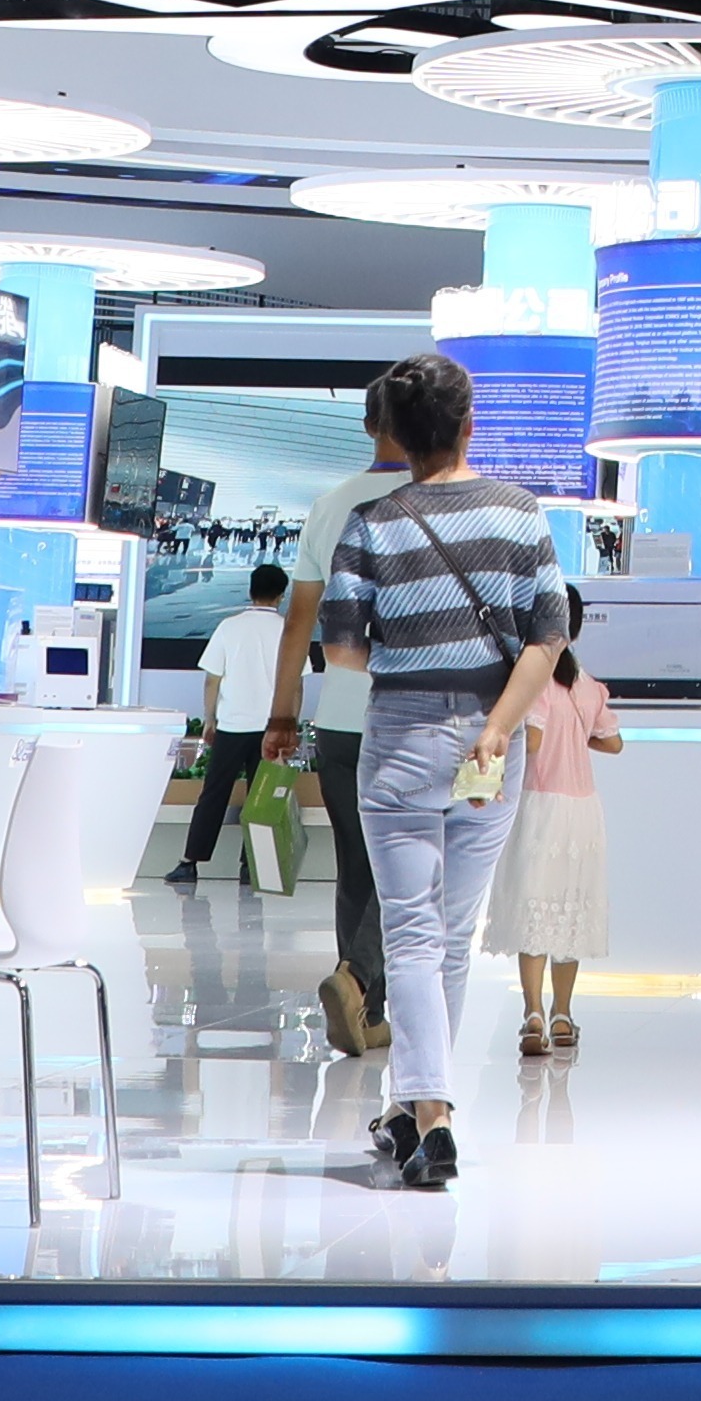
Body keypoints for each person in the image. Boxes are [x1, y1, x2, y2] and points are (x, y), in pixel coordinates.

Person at [313, 349, 563, 1192]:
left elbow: (343, 651)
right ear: (467, 426)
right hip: (493, 742)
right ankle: (420, 1108)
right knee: (451, 935)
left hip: (401, 739)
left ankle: (428, 1114)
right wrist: (494, 727)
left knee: (411, 934)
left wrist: (411, 641)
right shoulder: (519, 513)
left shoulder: (373, 523)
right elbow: (548, 639)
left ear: (392, 435)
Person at [265, 404, 413, 1057]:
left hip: (339, 722)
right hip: (408, 717)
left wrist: (282, 715)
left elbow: (299, 623)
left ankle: (366, 1013)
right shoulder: (433, 501)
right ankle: (356, 979)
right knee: (408, 864)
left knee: (356, 862)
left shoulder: (328, 507)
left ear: (368, 425)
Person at [487, 587, 622, 1059]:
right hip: (582, 811)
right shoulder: (587, 685)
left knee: (534, 908)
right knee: (570, 909)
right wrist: (577, 738)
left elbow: (534, 741)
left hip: (539, 805)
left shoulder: (536, 683)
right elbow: (613, 742)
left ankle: (533, 1014)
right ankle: (563, 1014)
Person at [169, 562, 294, 884]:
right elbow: (296, 685)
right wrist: (288, 725)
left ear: (250, 591)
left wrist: (209, 719)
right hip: (271, 728)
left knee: (213, 794)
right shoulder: (288, 631)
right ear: (281, 595)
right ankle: (252, 866)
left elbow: (213, 679)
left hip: (232, 726)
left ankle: (189, 863)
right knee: (261, 797)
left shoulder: (229, 627)